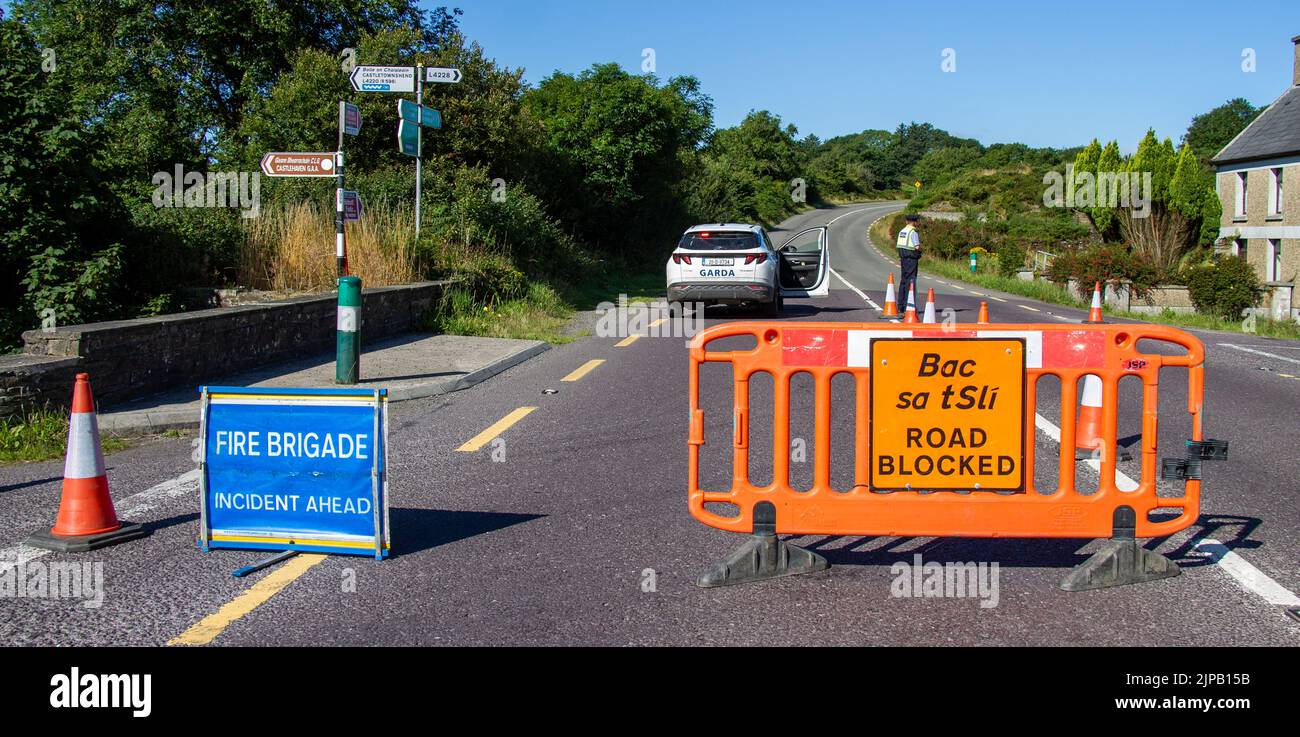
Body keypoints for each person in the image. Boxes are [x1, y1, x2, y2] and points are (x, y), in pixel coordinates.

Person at [895, 214, 922, 305]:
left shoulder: (902, 231)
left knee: (903, 280)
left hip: (903, 258)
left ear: (906, 222)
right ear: (915, 222)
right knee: (910, 281)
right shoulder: (913, 232)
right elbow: (917, 247)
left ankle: (901, 305)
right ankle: (909, 305)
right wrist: (920, 251)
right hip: (911, 259)